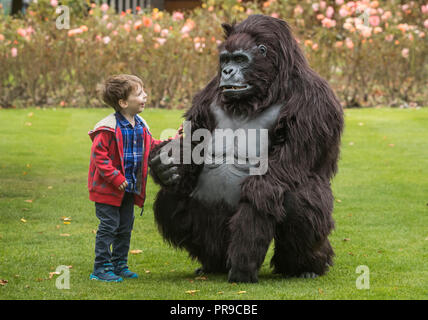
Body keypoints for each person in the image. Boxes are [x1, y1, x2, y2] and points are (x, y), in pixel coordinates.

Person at [88, 74, 181, 282]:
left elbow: (153, 146)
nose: (145, 96)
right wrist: (115, 177)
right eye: (139, 93)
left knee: (124, 227)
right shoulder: (108, 128)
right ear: (123, 102)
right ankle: (101, 268)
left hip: (130, 189)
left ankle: (119, 264)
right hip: (108, 191)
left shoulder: (140, 125)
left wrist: (175, 140)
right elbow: (99, 158)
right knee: (108, 227)